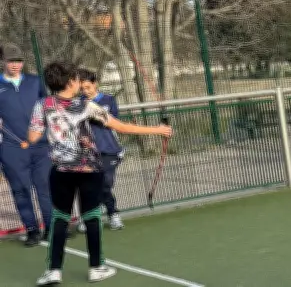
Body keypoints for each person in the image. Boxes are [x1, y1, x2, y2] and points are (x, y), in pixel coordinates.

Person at [27, 61, 173, 285]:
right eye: (76, 79)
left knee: (60, 219)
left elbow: (33, 137)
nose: (79, 83)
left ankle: (54, 270)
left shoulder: (42, 105)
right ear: (70, 82)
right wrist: (158, 129)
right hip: (88, 170)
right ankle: (96, 267)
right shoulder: (87, 106)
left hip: (61, 171)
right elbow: (122, 127)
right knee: (92, 217)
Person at [0, 43, 52, 246]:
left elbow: (47, 107)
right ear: (3, 62)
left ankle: (51, 226)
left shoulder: (35, 81)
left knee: (45, 186)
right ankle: (31, 230)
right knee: (20, 189)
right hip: (12, 148)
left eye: (19, 61)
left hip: (40, 145)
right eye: (11, 61)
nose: (15, 65)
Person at [75, 68, 125, 232]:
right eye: (82, 88)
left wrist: (96, 113)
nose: (85, 91)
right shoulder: (78, 104)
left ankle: (112, 213)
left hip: (108, 150)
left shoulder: (108, 100)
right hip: (87, 152)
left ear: (95, 84)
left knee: (105, 183)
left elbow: (114, 121)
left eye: (88, 87)